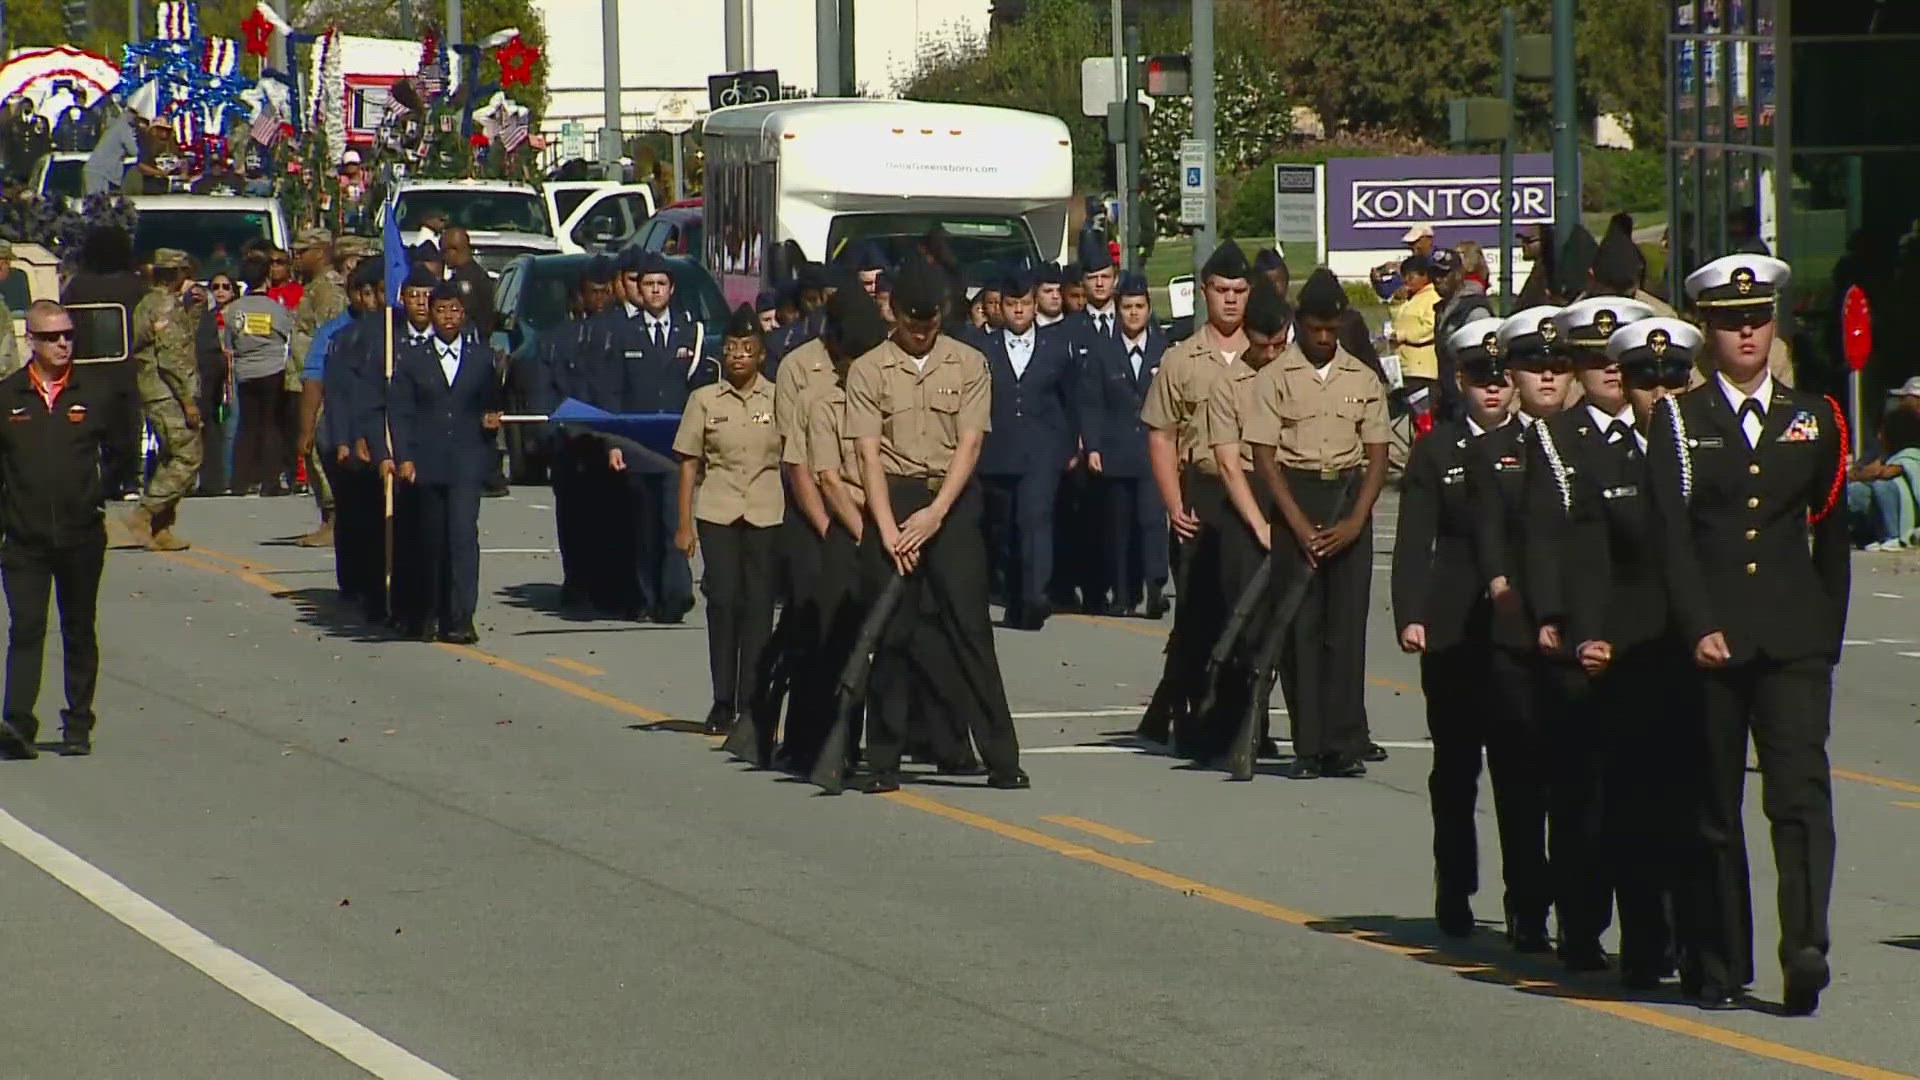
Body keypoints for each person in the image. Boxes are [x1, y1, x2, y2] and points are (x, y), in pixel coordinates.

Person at [1647, 253, 1848, 1015]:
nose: (1747, 333)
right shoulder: (1679, 419)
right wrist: (1697, 624)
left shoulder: (1816, 417)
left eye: (1758, 318)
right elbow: (1672, 533)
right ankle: (1720, 959)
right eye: (1732, 322)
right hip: (1715, 642)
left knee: (1800, 799)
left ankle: (1806, 946)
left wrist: (1825, 632)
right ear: (1706, 329)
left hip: (1793, 641)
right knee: (1712, 808)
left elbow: (1829, 534)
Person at [843, 258, 1028, 794]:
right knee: (890, 634)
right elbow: (867, 454)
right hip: (894, 499)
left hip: (949, 500)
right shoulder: (870, 370)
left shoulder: (968, 363)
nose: (921, 332)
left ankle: (1001, 756)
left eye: (930, 321)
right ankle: (882, 760)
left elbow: (970, 444)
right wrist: (888, 528)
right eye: (911, 321)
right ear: (894, 314)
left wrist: (936, 515)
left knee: (971, 630)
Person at [1526, 294, 1669, 981]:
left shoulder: (1663, 432)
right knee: (1580, 796)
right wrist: (1565, 623)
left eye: (1622, 361)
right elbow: (1548, 540)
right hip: (1579, 641)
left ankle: (1656, 930)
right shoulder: (1556, 439)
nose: (1609, 372)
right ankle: (1580, 925)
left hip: (1649, 639)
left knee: (1647, 793)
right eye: (1594, 360)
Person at [1396, 315, 1528, 937]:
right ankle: (1455, 889)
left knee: (1517, 770)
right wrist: (1410, 614)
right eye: (1480, 379)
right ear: (1458, 379)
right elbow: (1412, 541)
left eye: (1502, 379)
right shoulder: (1437, 448)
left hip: (1510, 629)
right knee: (1455, 769)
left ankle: (1527, 900)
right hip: (1450, 624)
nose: (1493, 391)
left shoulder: (1535, 445)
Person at [1245, 268, 1391, 779]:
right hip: (1297, 495)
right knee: (1300, 630)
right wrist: (1297, 525)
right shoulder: (1274, 377)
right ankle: (1307, 745)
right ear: (1299, 325)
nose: (1324, 339)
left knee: (1346, 630)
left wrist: (1356, 521)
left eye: (1332, 330)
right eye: (1314, 329)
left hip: (1348, 495)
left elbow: (1377, 456)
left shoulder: (1362, 378)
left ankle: (1342, 743)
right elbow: (1264, 457)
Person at [1467, 304, 1572, 954]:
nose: (1550, 378)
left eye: (1560, 365)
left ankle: (1580, 909)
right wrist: (1500, 581)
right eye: (1536, 366)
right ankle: (1527, 903)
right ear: (1513, 374)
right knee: (1520, 783)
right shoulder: (1496, 451)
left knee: (1578, 785)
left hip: (1578, 637)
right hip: (1514, 635)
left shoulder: (1591, 443)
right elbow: (1485, 527)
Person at [0, 302, 136, 760]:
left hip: (80, 535)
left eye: (68, 335)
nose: (63, 343)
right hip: (23, 539)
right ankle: (17, 723)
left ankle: (77, 723)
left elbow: (122, 450)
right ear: (32, 342)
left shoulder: (93, 392)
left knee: (78, 628)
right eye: (53, 336)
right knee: (27, 628)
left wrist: (102, 491)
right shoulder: (8, 397)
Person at [1136, 240, 1251, 754]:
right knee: (1199, 616)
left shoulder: (1269, 355)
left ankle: (1242, 721)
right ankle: (1189, 717)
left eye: (1240, 291)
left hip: (1252, 493)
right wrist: (1172, 505)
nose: (1231, 300)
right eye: (1222, 290)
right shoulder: (1181, 360)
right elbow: (1160, 435)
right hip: (1200, 492)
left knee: (1245, 615)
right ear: (1204, 292)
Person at [665, 306, 782, 740]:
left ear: (761, 355)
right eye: (731, 348)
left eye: (747, 349)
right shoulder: (704, 400)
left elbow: (794, 459)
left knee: (758, 608)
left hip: (767, 512)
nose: (738, 357)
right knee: (724, 602)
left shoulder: (777, 399)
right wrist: (683, 526)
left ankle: (754, 701)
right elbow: (689, 465)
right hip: (718, 511)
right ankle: (722, 699)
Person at [803, 294, 893, 783]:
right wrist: (865, 531)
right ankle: (833, 743)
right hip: (851, 531)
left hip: (890, 527)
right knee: (839, 641)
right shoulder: (823, 405)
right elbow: (829, 478)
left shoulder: (887, 394)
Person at [386, 282, 503, 645]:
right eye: (441, 310)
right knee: (430, 540)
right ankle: (428, 614)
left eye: (455, 310)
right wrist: (404, 457)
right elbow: (401, 412)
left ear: (464, 314)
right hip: (427, 460)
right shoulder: (413, 358)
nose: (448, 317)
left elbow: (492, 401)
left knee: (463, 538)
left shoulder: (482, 358)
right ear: (430, 313)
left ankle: (461, 617)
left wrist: (491, 419)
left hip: (467, 459)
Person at [977, 269, 1076, 630]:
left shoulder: (1056, 347)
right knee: (1004, 530)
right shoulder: (983, 348)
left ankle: (1035, 597)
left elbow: (1072, 398)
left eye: (1024, 304)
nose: (1018, 311)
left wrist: (1071, 444)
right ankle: (1012, 596)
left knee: (1035, 521)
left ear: (1035, 306)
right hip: (998, 450)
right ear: (1000, 307)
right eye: (1011, 304)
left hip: (1042, 449)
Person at [1079, 271, 1167, 618]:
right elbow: (1092, 402)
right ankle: (1122, 593)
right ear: (1118, 309)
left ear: (1149, 309)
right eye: (1127, 307)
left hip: (1152, 451)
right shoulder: (1103, 352)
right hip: (1115, 451)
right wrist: (1094, 446)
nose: (1133, 313)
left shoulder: (1163, 349)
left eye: (1140, 306)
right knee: (1118, 527)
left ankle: (1155, 587)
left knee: (1151, 522)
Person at [316, 260, 390, 622]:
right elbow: (339, 392)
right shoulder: (344, 337)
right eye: (373, 292)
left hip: (391, 440)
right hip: (351, 438)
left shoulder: (401, 334)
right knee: (357, 515)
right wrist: (346, 438)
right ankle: (358, 584)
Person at [126, 249, 204, 552]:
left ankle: (161, 526)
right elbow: (172, 358)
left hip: (157, 389)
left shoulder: (153, 303)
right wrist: (187, 400)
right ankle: (146, 512)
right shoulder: (164, 306)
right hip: (166, 391)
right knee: (187, 455)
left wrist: (194, 312)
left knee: (172, 455)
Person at [290, 228, 347, 543]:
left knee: (318, 450)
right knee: (309, 453)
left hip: (321, 383)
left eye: (303, 251)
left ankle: (335, 517)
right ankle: (328, 516)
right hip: (305, 378)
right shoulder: (312, 288)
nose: (297, 258)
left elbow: (330, 341)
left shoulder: (328, 291)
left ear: (321, 252)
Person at [225, 251, 296, 497]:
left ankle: (240, 481)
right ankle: (270, 481)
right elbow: (288, 333)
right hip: (272, 369)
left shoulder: (234, 310)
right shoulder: (275, 308)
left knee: (247, 425)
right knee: (271, 425)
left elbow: (229, 340)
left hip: (245, 371)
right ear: (267, 278)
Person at [194, 272, 238, 494]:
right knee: (212, 423)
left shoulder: (240, 313)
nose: (220, 291)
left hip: (236, 373)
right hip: (212, 374)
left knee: (233, 423)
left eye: (225, 286)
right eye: (216, 287)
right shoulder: (206, 317)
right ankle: (213, 477)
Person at [1390, 255, 1442, 423]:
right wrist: (1398, 302)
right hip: (1406, 367)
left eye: (1411, 276)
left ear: (1425, 276)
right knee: (1415, 418)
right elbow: (1399, 322)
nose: (1406, 280)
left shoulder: (1432, 297)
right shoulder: (1412, 298)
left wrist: (1403, 336)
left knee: (1423, 418)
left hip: (1423, 370)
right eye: (1404, 276)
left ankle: (1426, 447)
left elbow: (1430, 328)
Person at [440, 227, 497, 338]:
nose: (442, 257)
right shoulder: (476, 274)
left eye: (443, 252)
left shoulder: (466, 280)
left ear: (454, 250)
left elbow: (467, 317)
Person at [83, 101, 148, 196]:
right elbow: (134, 151)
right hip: (100, 171)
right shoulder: (124, 128)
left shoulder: (114, 124)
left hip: (95, 169)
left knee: (97, 202)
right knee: (97, 203)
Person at [1035, 264, 1067, 328]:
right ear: (1036, 295)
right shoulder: (1028, 330)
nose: (1055, 296)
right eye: (1048, 291)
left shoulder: (1076, 326)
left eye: (1059, 290)